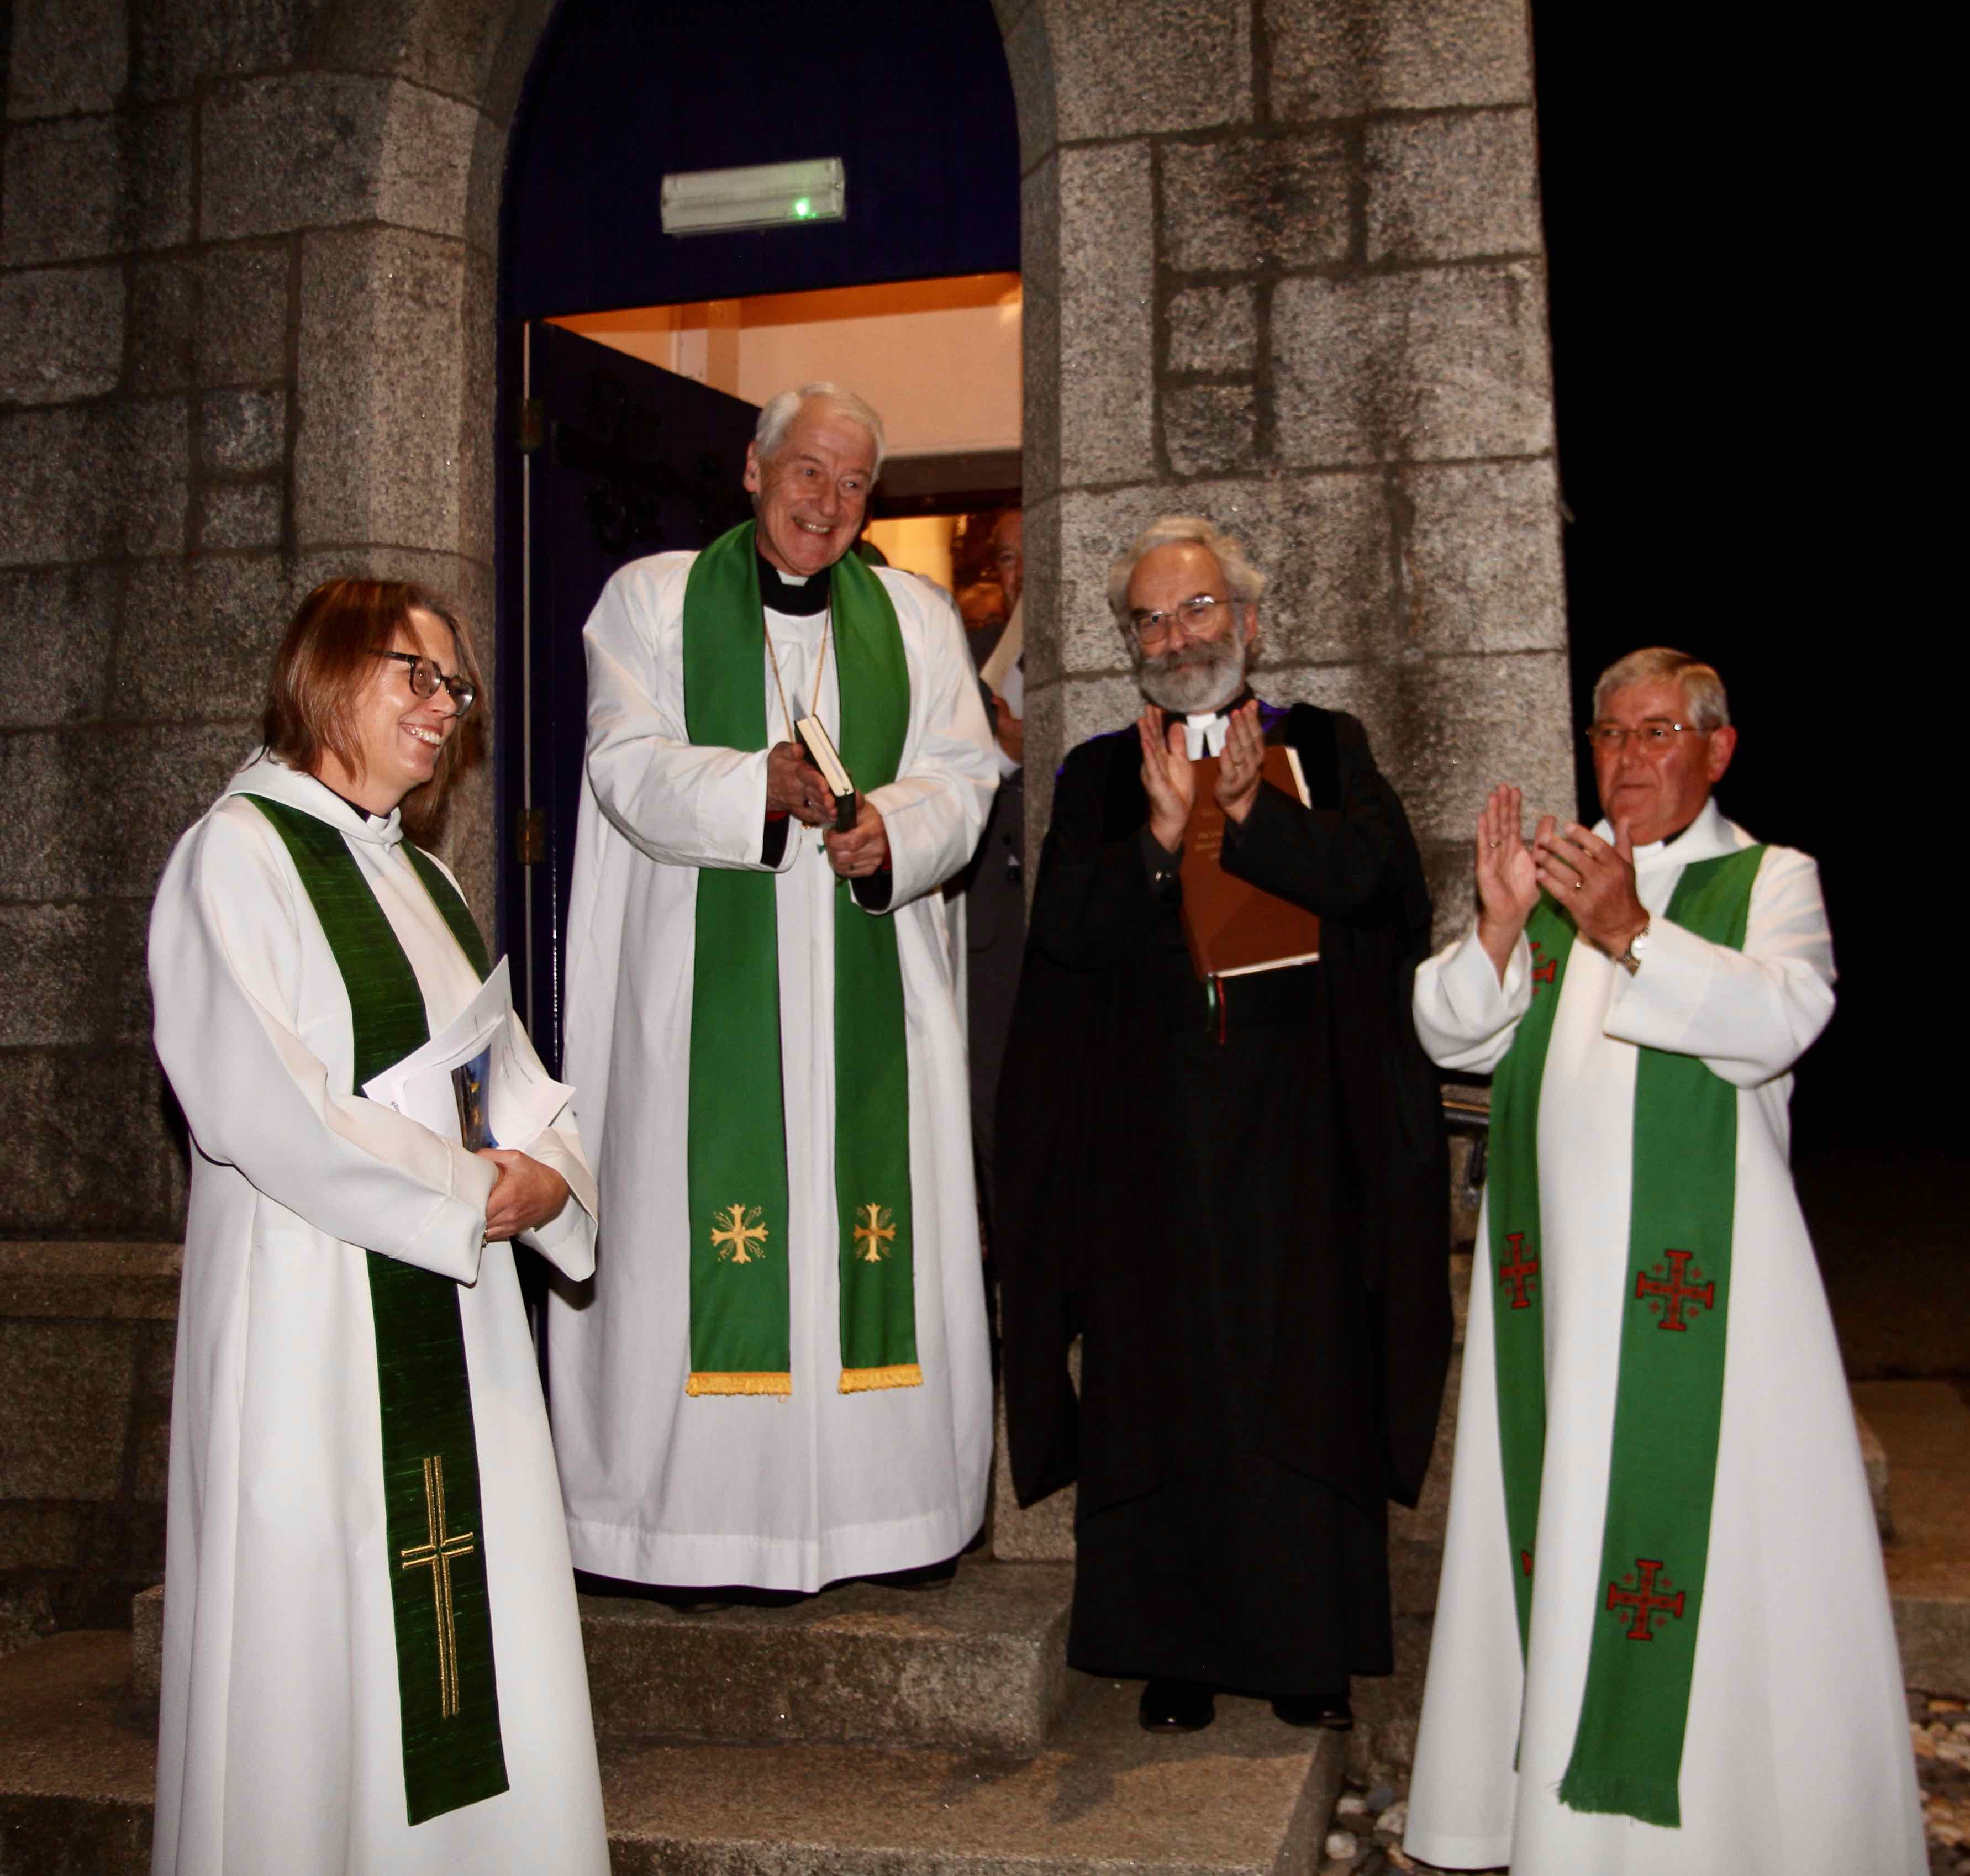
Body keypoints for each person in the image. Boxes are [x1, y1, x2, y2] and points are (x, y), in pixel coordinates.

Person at [1404, 649, 1922, 1874]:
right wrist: (1493, 926)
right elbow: (1446, 1033)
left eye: (1657, 734)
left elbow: (1778, 1024)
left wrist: (1630, 931)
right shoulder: (1555, 871)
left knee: (1716, 1562)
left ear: (1716, 749)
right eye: (1610, 736)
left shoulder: (1768, 877)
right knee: (1556, 1519)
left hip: (1713, 1309)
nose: (1629, 759)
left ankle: (1748, 1828)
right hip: (1558, 1306)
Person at [146, 579, 609, 1875]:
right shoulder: (234, 855)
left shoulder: (424, 881)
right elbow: (264, 1109)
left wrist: (557, 1178)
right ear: (323, 671)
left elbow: (513, 1080)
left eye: (456, 690)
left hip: (449, 1328)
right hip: (309, 1318)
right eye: (418, 674)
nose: (444, 707)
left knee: (465, 1621)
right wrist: (476, 1193)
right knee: (320, 1631)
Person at [995, 515, 1450, 1733]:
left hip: (1301, 1135)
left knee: (1304, 1386)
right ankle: (1172, 1650)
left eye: (1196, 609)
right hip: (1150, 1142)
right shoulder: (1098, 771)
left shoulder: (1330, 747)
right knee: (1161, 1385)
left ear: (1246, 621)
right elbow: (1064, 939)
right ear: (1127, 642)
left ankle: (1307, 1655)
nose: (1175, 634)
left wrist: (1253, 817)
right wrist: (1158, 835)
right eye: (1150, 617)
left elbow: (1385, 892)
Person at [547, 383, 999, 1594]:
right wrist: (761, 784)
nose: (829, 501)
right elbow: (624, 765)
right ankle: (683, 1531)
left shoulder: (912, 617)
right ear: (752, 471)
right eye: (808, 471)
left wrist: (890, 834)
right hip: (703, 1002)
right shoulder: (649, 599)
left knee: (863, 1227)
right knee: (695, 1240)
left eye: (855, 483)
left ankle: (883, 1519)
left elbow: (966, 775)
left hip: (869, 1000)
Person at [947, 508, 1027, 1229]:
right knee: (996, 1130)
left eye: (1035, 553)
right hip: (989, 943)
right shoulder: (964, 661)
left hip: (1080, 930)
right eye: (1005, 558)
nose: (1022, 573)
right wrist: (1005, 757)